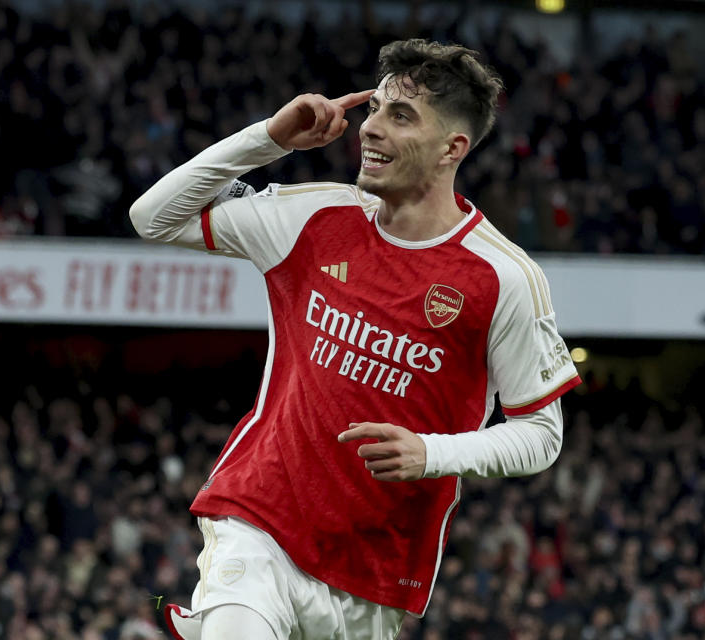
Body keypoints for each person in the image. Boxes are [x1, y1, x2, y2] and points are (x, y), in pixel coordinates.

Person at [129, 39, 581, 640]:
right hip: (260, 518)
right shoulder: (317, 218)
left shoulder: (502, 278)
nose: (369, 129)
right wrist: (268, 138)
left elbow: (542, 434)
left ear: (454, 148)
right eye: (374, 110)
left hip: (375, 572)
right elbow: (153, 216)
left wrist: (433, 453)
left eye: (401, 116)